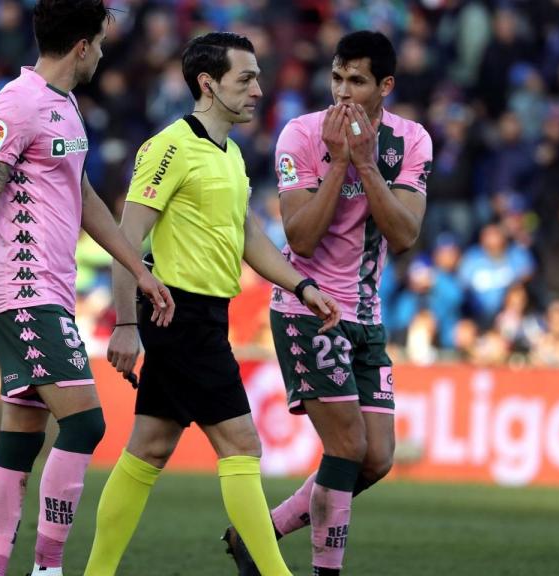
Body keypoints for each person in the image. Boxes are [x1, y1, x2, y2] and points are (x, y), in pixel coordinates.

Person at [81, 32, 341, 576]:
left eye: (257, 77)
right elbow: (125, 241)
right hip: (178, 315)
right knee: (242, 443)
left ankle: (96, 573)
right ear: (208, 83)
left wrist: (301, 285)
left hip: (205, 316)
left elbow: (249, 239)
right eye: (245, 78)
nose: (257, 89)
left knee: (149, 446)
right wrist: (126, 324)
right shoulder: (169, 147)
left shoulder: (232, 156)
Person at [0, 2, 174, 575]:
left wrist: (137, 267)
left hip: (49, 290)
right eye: (100, 41)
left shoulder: (64, 106)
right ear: (83, 47)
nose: (103, 52)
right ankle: (47, 568)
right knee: (87, 423)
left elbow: (83, 195)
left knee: (20, 436)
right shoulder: (16, 105)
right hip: (23, 290)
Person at [224, 30, 432, 576]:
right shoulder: (299, 134)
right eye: (336, 78)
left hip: (366, 319)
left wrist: (365, 163)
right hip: (308, 309)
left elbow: (406, 234)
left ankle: (258, 534)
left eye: (357, 82)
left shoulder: (411, 142)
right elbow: (301, 237)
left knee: (377, 458)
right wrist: (340, 162)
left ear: (384, 86)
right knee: (346, 446)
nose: (342, 92)